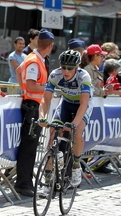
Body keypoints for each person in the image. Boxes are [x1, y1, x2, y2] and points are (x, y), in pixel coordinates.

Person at [38, 50, 93, 188]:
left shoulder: (84, 77)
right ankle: (47, 181)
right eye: (63, 67)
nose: (66, 71)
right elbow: (45, 99)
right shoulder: (55, 75)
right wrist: (42, 117)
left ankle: (76, 164)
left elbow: (84, 104)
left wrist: (74, 124)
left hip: (82, 105)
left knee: (77, 131)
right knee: (52, 136)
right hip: (66, 104)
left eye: (70, 68)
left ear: (77, 67)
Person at [14, 28, 54, 197]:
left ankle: (27, 182)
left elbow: (18, 72)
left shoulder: (34, 58)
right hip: (32, 106)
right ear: (50, 46)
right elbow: (31, 85)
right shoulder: (35, 61)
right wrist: (48, 88)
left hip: (33, 105)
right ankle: (23, 184)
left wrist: (24, 89)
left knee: (30, 146)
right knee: (29, 146)